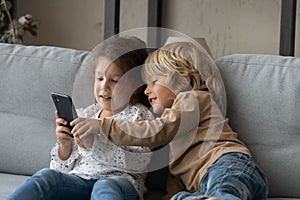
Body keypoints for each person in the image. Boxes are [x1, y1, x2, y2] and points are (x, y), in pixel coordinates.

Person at [70, 41, 269, 200]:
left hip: (228, 166)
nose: (147, 90)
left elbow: (157, 130)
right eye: (146, 84)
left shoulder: (194, 99)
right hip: (211, 183)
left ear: (185, 80)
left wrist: (103, 126)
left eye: (154, 82)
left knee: (224, 190)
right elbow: (177, 176)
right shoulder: (175, 125)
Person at [6, 36, 154, 200]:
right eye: (99, 78)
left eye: (115, 80)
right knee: (46, 176)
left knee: (104, 186)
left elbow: (140, 163)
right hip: (80, 181)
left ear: (136, 86)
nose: (103, 86)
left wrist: (94, 145)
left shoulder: (139, 116)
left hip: (119, 183)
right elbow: (61, 170)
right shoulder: (86, 114)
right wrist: (65, 146)